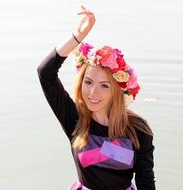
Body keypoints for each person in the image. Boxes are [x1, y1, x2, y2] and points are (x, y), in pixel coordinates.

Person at [37, 5, 155, 190]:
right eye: (89, 82)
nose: (93, 93)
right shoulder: (75, 118)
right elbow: (45, 73)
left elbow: (146, 182)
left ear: (117, 90)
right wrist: (78, 35)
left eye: (104, 86)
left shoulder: (138, 129)